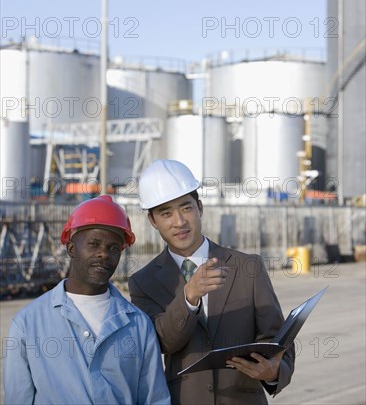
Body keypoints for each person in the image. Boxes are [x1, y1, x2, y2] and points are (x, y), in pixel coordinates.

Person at [128, 160, 295, 405]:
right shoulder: (143, 283)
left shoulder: (248, 267)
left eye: (186, 208)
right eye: (166, 213)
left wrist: (275, 372)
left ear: (200, 207)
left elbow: (278, 341)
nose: (179, 221)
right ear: (153, 221)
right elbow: (162, 343)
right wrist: (189, 298)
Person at [3, 195, 170, 405]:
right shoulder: (28, 323)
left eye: (113, 248)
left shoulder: (139, 325)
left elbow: (155, 400)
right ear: (71, 248)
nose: (104, 254)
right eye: (94, 244)